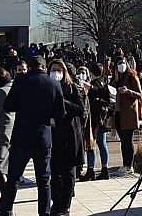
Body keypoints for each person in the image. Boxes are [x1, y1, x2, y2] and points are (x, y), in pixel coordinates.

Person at [0, 56, 65, 216]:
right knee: (44, 180)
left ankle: (7, 210)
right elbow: (60, 113)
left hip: (22, 137)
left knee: (13, 178)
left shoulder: (20, 81)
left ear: (29, 67)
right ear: (45, 67)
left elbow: (9, 105)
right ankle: (44, 213)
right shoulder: (54, 83)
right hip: (43, 137)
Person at [48, 60, 86, 216]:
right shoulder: (47, 87)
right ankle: (55, 203)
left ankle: (65, 205)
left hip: (69, 135)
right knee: (55, 172)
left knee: (68, 171)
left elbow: (80, 109)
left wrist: (62, 102)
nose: (56, 72)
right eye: (53, 70)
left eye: (59, 70)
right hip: (53, 134)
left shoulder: (72, 87)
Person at [110, 57, 142, 176]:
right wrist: (116, 79)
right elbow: (111, 90)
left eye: (123, 63)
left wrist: (128, 91)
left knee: (128, 140)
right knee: (123, 141)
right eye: (119, 63)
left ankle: (130, 166)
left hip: (128, 114)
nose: (121, 65)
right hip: (118, 112)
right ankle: (124, 165)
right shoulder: (117, 78)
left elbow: (140, 94)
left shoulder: (131, 76)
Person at [82, 63, 113, 181]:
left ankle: (91, 169)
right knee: (102, 143)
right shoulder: (105, 82)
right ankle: (105, 168)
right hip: (103, 117)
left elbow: (91, 95)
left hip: (93, 118)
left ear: (92, 72)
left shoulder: (94, 84)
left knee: (91, 144)